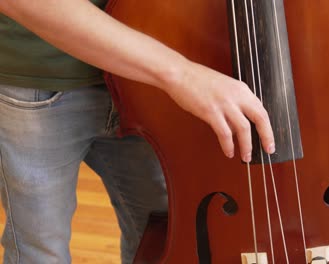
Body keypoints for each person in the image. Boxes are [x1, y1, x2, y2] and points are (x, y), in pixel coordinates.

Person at [0, 0, 275, 263]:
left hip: (148, 80)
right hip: (37, 81)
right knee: (41, 251)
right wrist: (182, 74)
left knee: (162, 239)